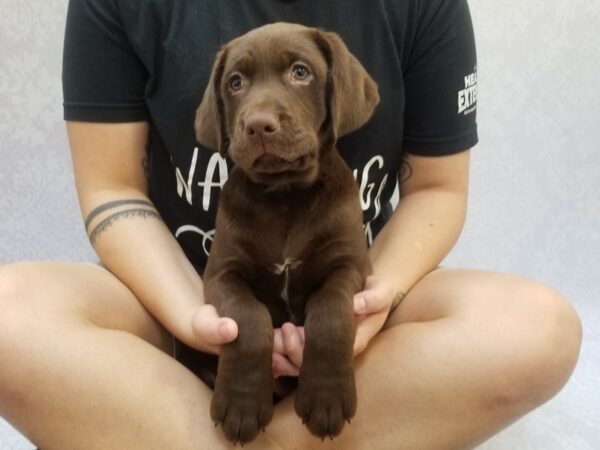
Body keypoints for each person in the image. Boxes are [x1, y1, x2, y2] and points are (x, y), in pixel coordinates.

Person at [0, 0, 582, 449]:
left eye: (299, 74)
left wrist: (369, 309)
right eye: (239, 87)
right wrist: (198, 319)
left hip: (351, 311)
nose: (260, 115)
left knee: (541, 328)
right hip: (177, 301)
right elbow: (112, 187)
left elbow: (437, 188)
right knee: (8, 316)